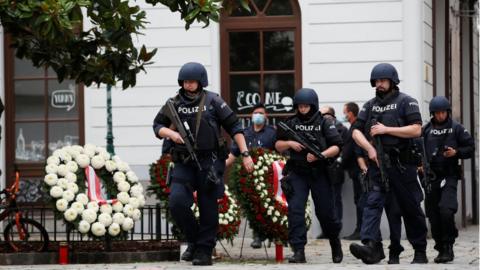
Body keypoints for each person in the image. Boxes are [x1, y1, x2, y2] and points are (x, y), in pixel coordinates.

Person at [153, 62, 254, 266]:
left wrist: (245, 153)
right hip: (183, 161)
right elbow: (157, 126)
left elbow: (235, 126)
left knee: (208, 206)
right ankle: (194, 239)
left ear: (201, 81)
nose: (188, 84)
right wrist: (171, 133)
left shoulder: (213, 100)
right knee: (177, 202)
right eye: (185, 81)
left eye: (192, 81)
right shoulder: (174, 103)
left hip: (210, 161)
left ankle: (204, 250)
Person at [349, 63, 428, 264]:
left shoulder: (406, 101)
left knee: (410, 209)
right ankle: (370, 246)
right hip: (378, 165)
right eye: (376, 81)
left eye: (383, 80)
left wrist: (386, 130)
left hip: (403, 165)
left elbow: (416, 130)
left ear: (392, 81)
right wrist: (369, 148)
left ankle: (419, 250)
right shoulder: (369, 105)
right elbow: (356, 131)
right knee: (372, 204)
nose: (379, 84)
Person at [275, 88, 344, 263]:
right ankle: (298, 250)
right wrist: (290, 143)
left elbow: (337, 146)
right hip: (297, 172)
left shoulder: (324, 123)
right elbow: (277, 145)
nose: (303, 109)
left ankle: (335, 242)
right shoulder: (290, 123)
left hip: (319, 172)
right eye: (300, 106)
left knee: (326, 213)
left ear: (313, 106)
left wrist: (321, 155)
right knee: (295, 210)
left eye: (306, 106)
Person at [421, 96, 474, 263]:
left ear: (447, 112)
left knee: (446, 209)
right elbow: (416, 149)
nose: (441, 115)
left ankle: (448, 245)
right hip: (431, 177)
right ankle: (440, 247)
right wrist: (419, 165)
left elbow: (470, 148)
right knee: (433, 215)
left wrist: (456, 153)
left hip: (449, 175)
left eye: (443, 112)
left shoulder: (456, 128)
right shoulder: (426, 130)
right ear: (432, 114)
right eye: (437, 113)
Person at [225, 102, 276, 249]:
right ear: (251, 116)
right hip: (246, 177)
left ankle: (263, 233)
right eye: (256, 113)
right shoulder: (244, 133)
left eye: (261, 113)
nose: (258, 115)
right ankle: (258, 235)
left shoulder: (272, 133)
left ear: (266, 116)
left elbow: (279, 153)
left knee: (264, 205)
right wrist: (220, 167)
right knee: (252, 206)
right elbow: (234, 154)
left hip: (266, 176)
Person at [317, 106, 347, 239]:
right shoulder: (319, 129)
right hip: (321, 169)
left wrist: (339, 162)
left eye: (324, 115)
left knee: (335, 200)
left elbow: (345, 150)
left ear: (332, 116)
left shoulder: (342, 130)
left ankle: (335, 230)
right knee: (324, 201)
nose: (322, 118)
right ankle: (326, 230)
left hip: (335, 169)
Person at [341, 102, 364, 240]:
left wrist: (340, 164)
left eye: (345, 112)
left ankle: (361, 230)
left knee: (361, 200)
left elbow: (349, 150)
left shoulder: (356, 128)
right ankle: (360, 228)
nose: (344, 115)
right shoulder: (354, 127)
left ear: (350, 113)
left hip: (359, 170)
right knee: (359, 200)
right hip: (355, 170)